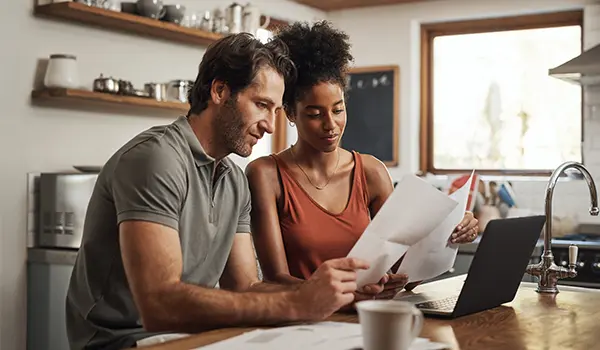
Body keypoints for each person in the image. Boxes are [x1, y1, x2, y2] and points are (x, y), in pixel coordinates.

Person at [65, 33, 379, 350]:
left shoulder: (234, 181)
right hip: (121, 341)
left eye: (274, 111)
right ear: (219, 91)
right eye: (261, 105)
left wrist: (331, 295)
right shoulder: (156, 159)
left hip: (193, 337)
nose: (270, 125)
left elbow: (245, 287)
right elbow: (160, 304)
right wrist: (296, 305)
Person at [245, 21, 479, 301]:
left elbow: (404, 272)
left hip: (367, 318)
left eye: (338, 109)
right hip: (304, 323)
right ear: (290, 113)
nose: (330, 124)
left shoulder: (371, 172)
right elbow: (275, 280)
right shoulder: (266, 174)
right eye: (314, 114)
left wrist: (448, 234)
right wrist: (347, 295)